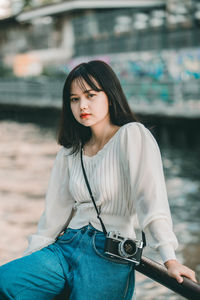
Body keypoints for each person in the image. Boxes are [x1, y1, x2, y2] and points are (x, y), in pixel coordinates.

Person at [0, 60, 197, 300]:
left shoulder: (132, 135)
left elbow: (151, 201)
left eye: (90, 95)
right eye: (74, 99)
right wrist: (33, 258)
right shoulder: (70, 152)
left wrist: (169, 258)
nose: (82, 105)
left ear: (110, 95)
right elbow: (53, 216)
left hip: (109, 254)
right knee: (6, 282)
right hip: (66, 246)